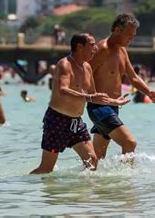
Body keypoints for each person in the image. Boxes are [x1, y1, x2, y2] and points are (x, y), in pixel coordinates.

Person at [30, 33, 130, 174]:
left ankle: (81, 194)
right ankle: (28, 186)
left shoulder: (87, 68)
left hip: (76, 122)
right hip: (57, 120)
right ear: (80, 47)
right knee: (46, 168)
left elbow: (93, 96)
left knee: (92, 162)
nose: (96, 48)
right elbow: (63, 90)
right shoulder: (65, 64)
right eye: (92, 45)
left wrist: (114, 101)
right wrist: (89, 97)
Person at [88, 14, 155, 160]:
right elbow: (85, 75)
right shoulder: (102, 49)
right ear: (117, 30)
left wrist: (149, 92)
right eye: (129, 35)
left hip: (113, 107)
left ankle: (88, 181)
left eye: (133, 35)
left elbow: (133, 77)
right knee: (130, 143)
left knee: (96, 160)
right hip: (100, 107)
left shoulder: (122, 50)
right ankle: (128, 181)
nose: (131, 39)